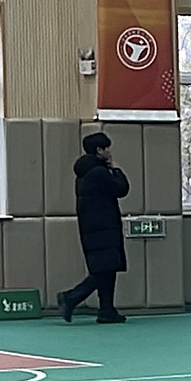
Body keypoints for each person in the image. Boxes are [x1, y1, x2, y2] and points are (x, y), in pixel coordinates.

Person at [59, 131, 129, 324]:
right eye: (107, 148)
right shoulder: (99, 173)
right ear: (99, 150)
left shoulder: (84, 173)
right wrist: (116, 170)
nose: (109, 152)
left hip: (93, 228)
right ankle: (70, 297)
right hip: (104, 227)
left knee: (106, 269)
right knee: (104, 271)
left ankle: (107, 309)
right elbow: (121, 189)